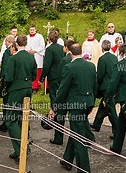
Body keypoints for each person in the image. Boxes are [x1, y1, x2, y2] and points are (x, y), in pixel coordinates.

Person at [51, 43, 97, 172]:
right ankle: (67, 159)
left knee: (78, 138)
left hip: (76, 105)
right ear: (81, 52)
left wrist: (55, 106)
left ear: (71, 53)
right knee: (77, 131)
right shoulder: (91, 66)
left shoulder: (69, 67)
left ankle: (84, 169)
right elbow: (95, 86)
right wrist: (92, 103)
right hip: (87, 103)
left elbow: (63, 89)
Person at [5, 34, 37, 162]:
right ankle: (19, 148)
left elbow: (8, 77)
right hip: (28, 88)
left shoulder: (14, 58)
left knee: (10, 120)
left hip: (16, 89)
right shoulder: (31, 57)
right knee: (21, 118)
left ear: (16, 44)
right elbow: (34, 74)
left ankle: (22, 149)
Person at [105, 44, 126, 154]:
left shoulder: (120, 65)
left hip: (123, 97)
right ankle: (117, 146)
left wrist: (107, 97)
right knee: (121, 122)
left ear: (120, 52)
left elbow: (113, 83)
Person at [50, 38, 75, 146]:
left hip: (65, 92)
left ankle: (58, 137)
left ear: (66, 47)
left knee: (60, 115)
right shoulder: (74, 58)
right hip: (73, 92)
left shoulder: (65, 60)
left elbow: (60, 77)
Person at [91, 40, 118, 134]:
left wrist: (96, 85)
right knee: (103, 106)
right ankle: (96, 124)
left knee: (111, 109)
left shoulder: (102, 59)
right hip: (114, 84)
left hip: (105, 86)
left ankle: (117, 130)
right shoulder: (115, 57)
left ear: (102, 48)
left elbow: (100, 75)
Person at [40, 29, 64, 108]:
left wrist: (42, 78)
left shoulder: (49, 49)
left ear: (49, 38)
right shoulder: (62, 48)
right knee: (60, 95)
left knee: (53, 95)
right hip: (62, 74)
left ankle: (54, 112)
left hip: (53, 75)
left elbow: (47, 65)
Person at [0, 34, 15, 132]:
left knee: (6, 102)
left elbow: (6, 66)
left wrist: (2, 79)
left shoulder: (8, 51)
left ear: (9, 42)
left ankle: (5, 123)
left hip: (7, 80)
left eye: (6, 42)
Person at [26, 24, 45, 92]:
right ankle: (30, 85)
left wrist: (35, 50)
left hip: (37, 55)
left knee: (37, 71)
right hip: (29, 54)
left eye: (33, 30)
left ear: (35, 30)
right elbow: (25, 45)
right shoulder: (27, 37)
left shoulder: (39, 36)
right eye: (31, 30)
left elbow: (42, 46)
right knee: (30, 70)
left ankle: (36, 86)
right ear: (29, 30)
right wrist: (28, 50)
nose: (32, 31)